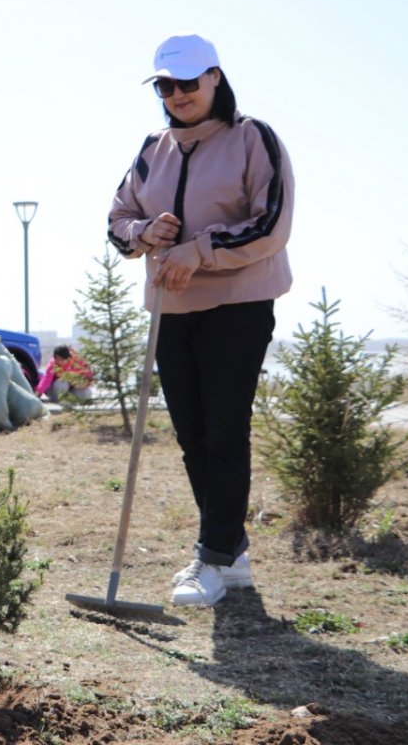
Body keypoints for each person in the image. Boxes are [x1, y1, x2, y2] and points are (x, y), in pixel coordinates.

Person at [107, 33, 293, 607]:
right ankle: (230, 553)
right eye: (166, 84)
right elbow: (117, 220)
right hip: (172, 309)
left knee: (224, 431)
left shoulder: (252, 137)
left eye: (189, 82)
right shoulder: (151, 147)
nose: (178, 94)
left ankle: (210, 559)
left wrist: (199, 249)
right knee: (192, 437)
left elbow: (272, 223)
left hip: (238, 305)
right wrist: (145, 234)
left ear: (215, 77)